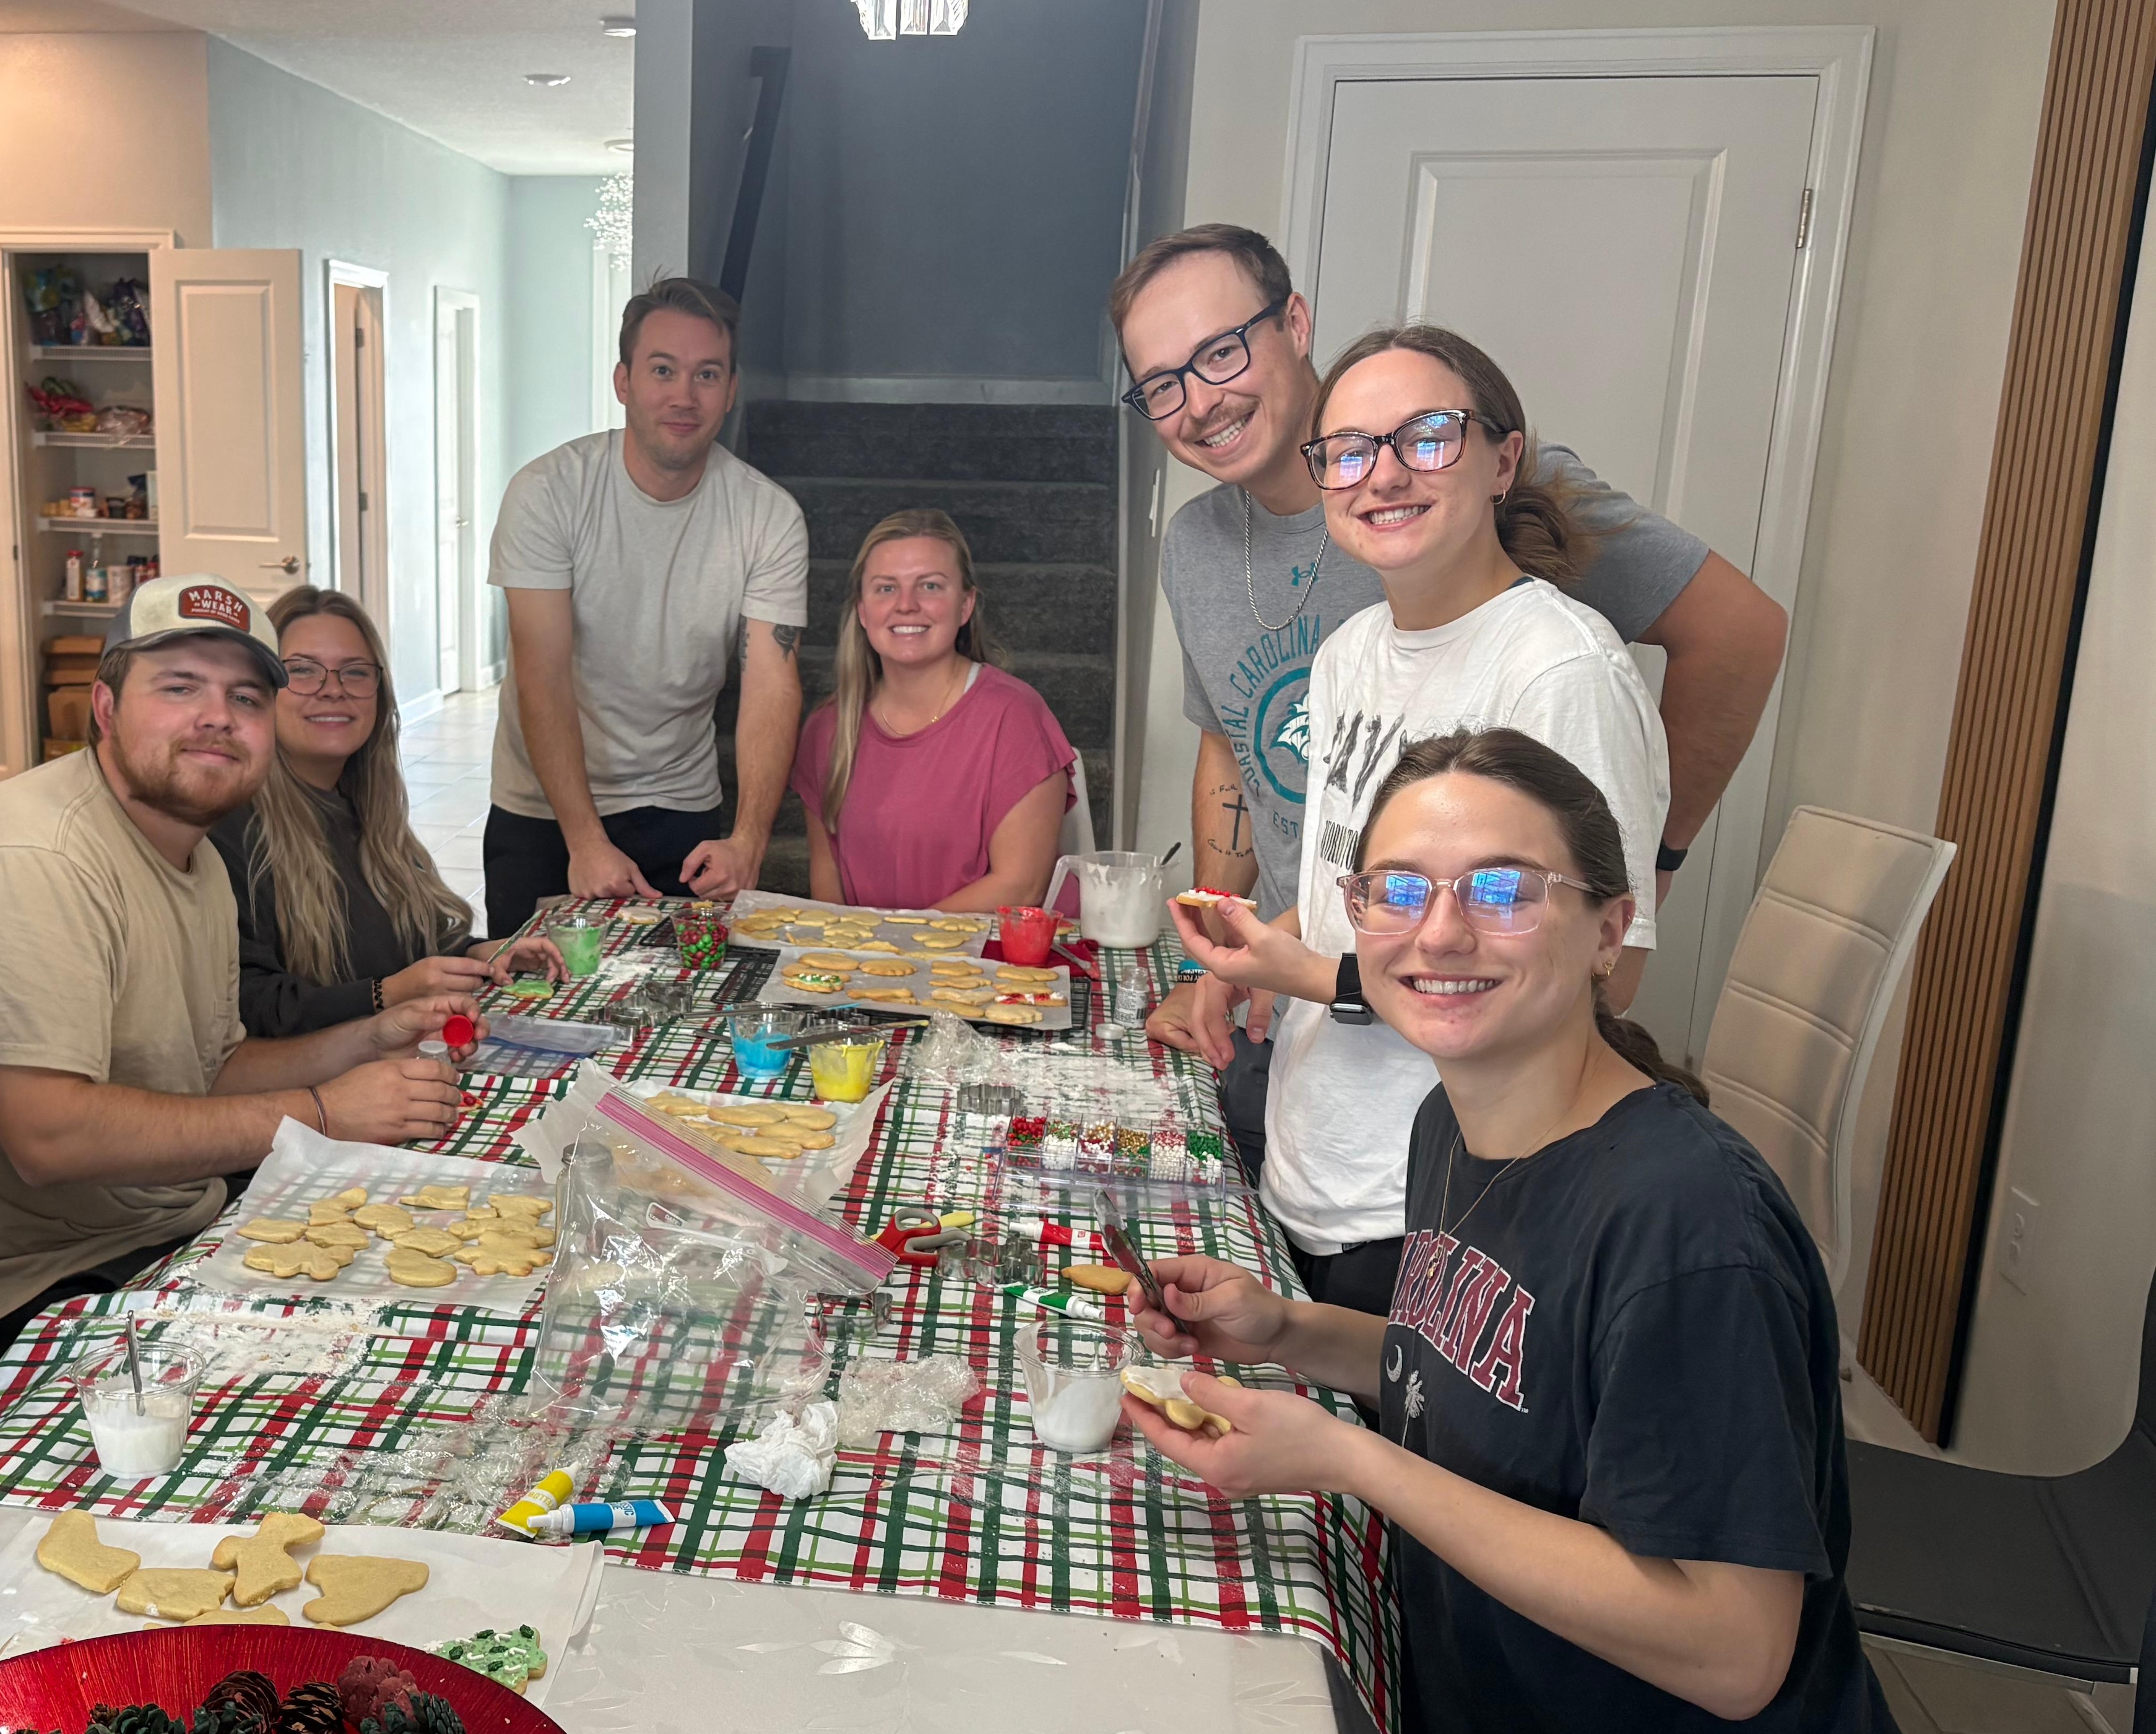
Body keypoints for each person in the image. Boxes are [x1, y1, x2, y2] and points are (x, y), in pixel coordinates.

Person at [1122, 727, 1988, 1734]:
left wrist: (1347, 1459)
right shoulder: (1460, 1127)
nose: (1440, 930)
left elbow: (1728, 1644)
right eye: (1397, 889)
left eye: (1503, 890)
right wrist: (1283, 1330)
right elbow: (1466, 1362)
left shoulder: (1682, 1228)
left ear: (1608, 925)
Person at [1110, 223, 1786, 1155]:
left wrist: (1641, 872)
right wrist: (1233, 953)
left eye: (1222, 351)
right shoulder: (1232, 570)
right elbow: (1232, 746)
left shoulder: (1490, 512)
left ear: (1294, 322)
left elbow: (1738, 633)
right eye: (1160, 385)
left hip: (1450, 1078)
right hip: (1306, 1029)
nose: (1200, 402)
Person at [0, 576, 476, 1426]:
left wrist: (371, 1035)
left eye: (245, 696)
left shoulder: (195, 855)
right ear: (106, 707)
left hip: (150, 1232)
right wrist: (322, 1111)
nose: (217, 716)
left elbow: (215, 1067)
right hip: (11, 1304)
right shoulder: (34, 857)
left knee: (444, 1323)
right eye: (179, 687)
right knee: (368, 1406)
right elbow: (50, 1133)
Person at [1171, 325, 1669, 1314]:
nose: (1382, 475)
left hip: (1438, 1206)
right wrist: (1251, 955)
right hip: (1315, 1160)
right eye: (1350, 450)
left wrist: (1307, 974)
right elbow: (1341, 893)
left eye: (1426, 437)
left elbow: (1602, 977)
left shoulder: (1558, 670)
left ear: (1502, 459)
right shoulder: (1348, 655)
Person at [483, 275, 810, 932]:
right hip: (543, 808)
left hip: (677, 805)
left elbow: (772, 686)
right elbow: (539, 673)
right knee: (530, 1020)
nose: (683, 396)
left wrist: (748, 841)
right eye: (663, 370)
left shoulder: (768, 516)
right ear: (624, 382)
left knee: (680, 1015)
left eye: (706, 374)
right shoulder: (547, 492)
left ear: (730, 391)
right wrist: (583, 839)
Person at [213, 586, 563, 1038]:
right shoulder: (230, 827)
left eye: (355, 673)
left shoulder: (366, 809)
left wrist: (480, 954)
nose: (333, 689)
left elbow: (406, 941)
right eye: (301, 671)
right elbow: (248, 1006)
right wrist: (385, 994)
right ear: (259, 691)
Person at [787, 508, 1076, 911]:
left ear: (965, 605)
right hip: (873, 962)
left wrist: (895, 949)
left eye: (930, 586)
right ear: (862, 610)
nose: (906, 605)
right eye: (886, 589)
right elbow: (828, 884)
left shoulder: (1015, 717)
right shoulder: (828, 728)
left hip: (1004, 963)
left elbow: (1020, 886)